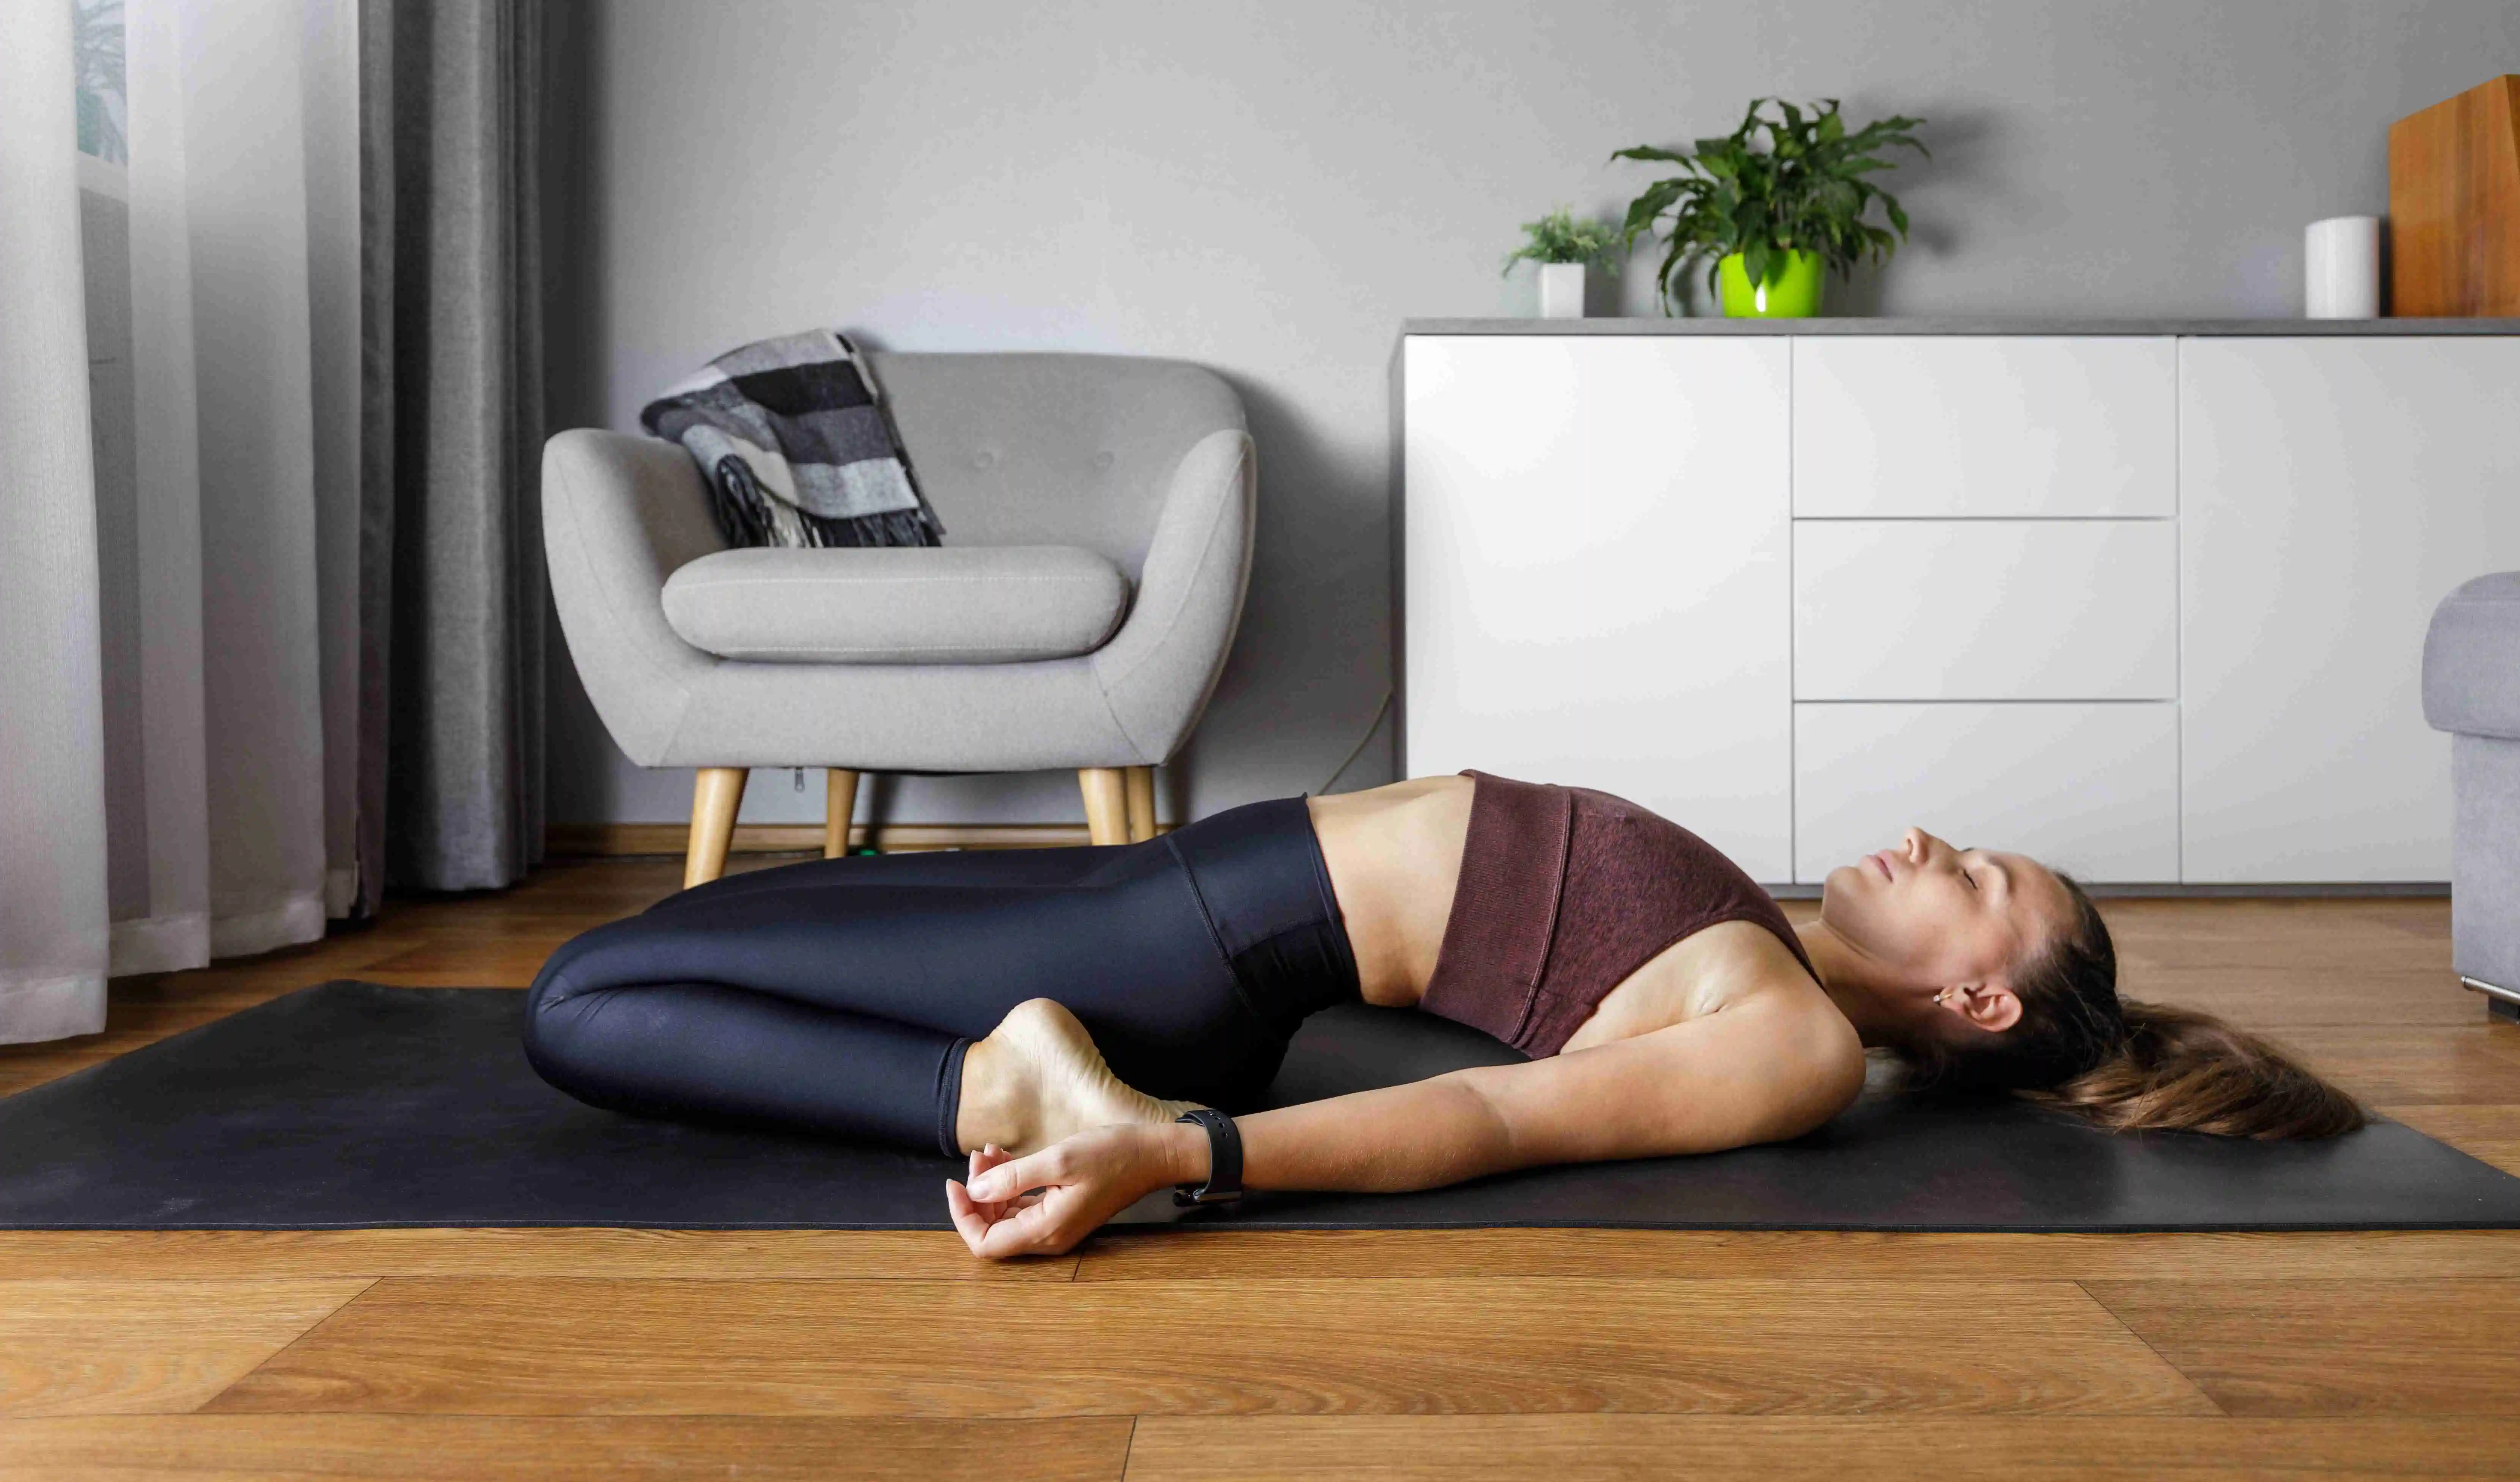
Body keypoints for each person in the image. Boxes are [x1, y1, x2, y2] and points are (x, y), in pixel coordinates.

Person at [523, 770, 2363, 1260]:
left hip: (1191, 950)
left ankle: (1001, 1088)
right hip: (1162, 896)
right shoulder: (1773, 965)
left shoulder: (1794, 1047)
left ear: (1974, 992)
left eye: (1979, 874)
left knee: (587, 1000)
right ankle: (1001, 1071)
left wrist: (1180, 1157)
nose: (1928, 840)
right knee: (676, 936)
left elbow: (1496, 1126)